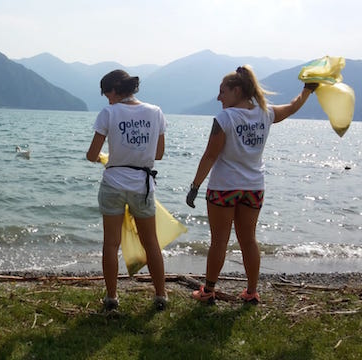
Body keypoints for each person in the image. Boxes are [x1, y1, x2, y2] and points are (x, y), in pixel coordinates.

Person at [186, 65, 318, 304]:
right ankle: (251, 291)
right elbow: (291, 108)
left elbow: (209, 156)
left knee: (219, 241)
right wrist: (307, 91)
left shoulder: (225, 117)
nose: (218, 97)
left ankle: (208, 291)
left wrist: (195, 186)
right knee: (249, 239)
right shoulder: (265, 113)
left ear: (237, 90)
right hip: (254, 188)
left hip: (224, 188)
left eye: (222, 91)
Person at [86, 69, 168, 312]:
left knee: (111, 244)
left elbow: (92, 155)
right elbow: (159, 154)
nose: (106, 99)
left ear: (115, 90)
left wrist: (106, 156)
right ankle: (161, 296)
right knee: (151, 242)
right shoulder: (155, 112)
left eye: (106, 93)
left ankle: (112, 299)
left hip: (113, 183)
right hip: (142, 185)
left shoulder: (109, 113)